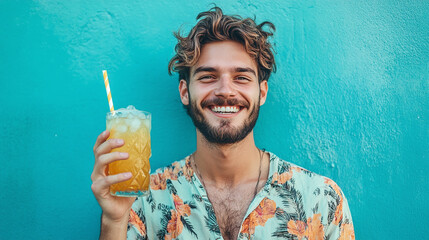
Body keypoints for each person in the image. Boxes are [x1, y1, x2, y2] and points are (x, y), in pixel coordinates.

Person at [91, 7, 355, 240]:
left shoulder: (321, 201)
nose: (225, 91)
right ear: (185, 92)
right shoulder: (143, 199)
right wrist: (113, 220)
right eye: (208, 76)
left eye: (241, 77)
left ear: (262, 93)